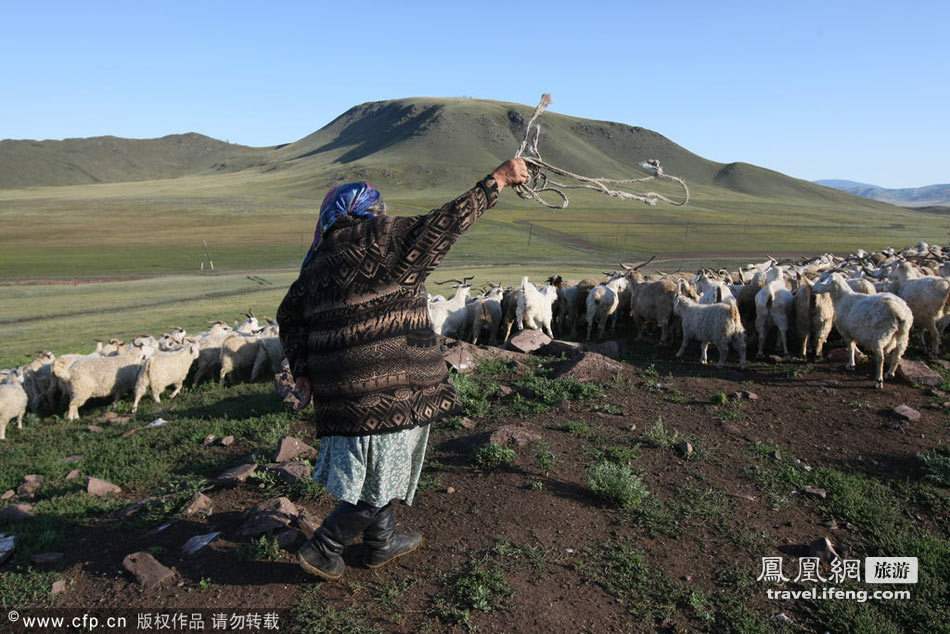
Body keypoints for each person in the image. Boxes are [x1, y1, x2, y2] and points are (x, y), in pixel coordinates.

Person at [276, 158, 530, 580]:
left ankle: (381, 542)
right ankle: (325, 546)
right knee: (383, 471)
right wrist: (497, 180)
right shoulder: (383, 238)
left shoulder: (316, 261)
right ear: (371, 209)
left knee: (383, 465)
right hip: (392, 383)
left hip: (340, 392)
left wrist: (301, 369)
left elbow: (288, 316)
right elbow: (444, 224)